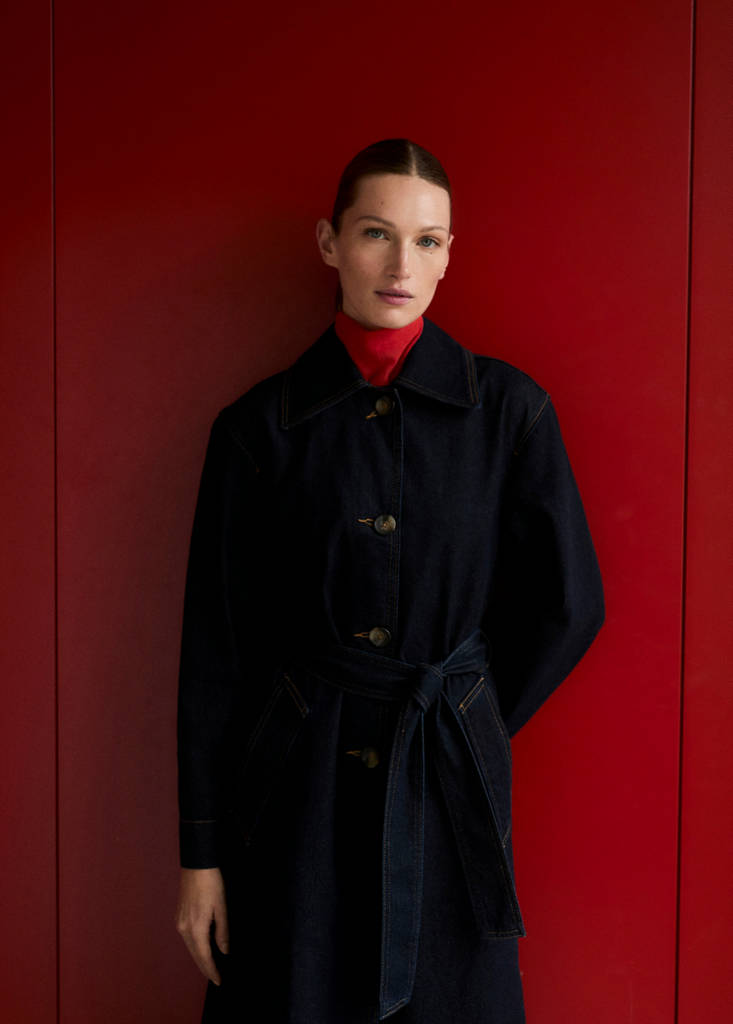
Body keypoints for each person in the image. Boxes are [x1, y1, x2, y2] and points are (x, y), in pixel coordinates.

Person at [174, 138, 605, 1024]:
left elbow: (569, 605)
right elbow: (215, 651)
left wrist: (468, 713)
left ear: (448, 254)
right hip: (294, 795)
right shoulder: (257, 430)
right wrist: (200, 856)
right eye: (376, 233)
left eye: (427, 240)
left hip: (447, 780)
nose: (402, 264)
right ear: (329, 242)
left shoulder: (509, 413)